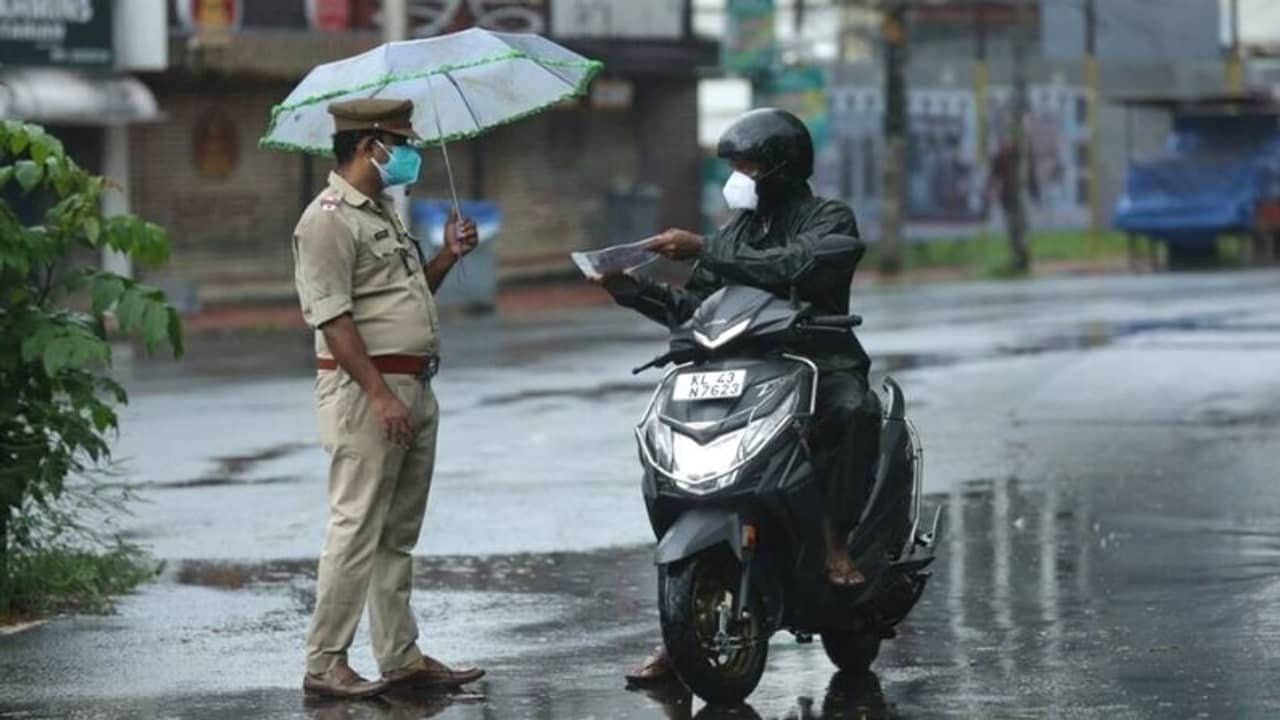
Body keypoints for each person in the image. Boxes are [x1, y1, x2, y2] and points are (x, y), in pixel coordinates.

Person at [601, 108, 881, 683]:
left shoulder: (828, 218)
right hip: (741, 366)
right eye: (733, 166)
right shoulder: (734, 231)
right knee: (676, 446)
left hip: (817, 361)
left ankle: (835, 541)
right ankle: (685, 632)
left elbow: (796, 267)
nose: (738, 177)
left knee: (854, 411)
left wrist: (705, 248)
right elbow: (695, 309)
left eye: (748, 165)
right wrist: (631, 291)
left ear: (782, 167)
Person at [292, 97, 484, 698]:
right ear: (368, 146)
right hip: (368, 393)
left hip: (413, 386)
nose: (409, 153)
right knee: (355, 527)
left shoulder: (382, 213)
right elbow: (334, 320)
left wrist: (447, 257)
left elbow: (404, 294)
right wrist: (379, 395)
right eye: (399, 142)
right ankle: (325, 662)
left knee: (397, 532)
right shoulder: (326, 219)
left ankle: (401, 657)